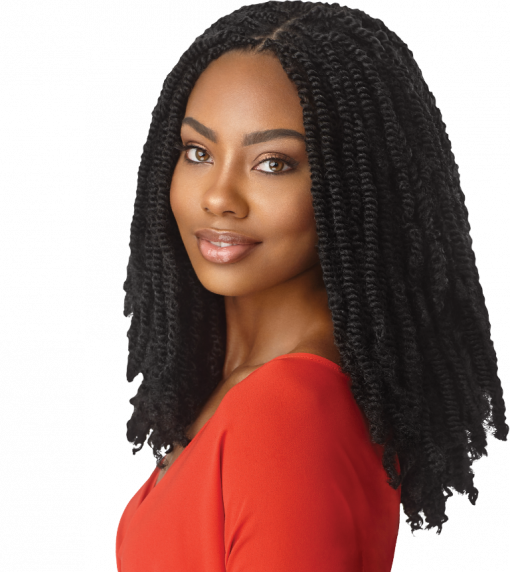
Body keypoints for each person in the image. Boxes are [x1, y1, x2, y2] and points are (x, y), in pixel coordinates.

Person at [117, 1, 509, 569]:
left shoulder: (289, 410)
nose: (218, 197)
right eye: (198, 152)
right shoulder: (247, 387)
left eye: (273, 163)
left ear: (354, 185)